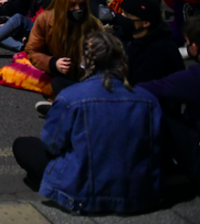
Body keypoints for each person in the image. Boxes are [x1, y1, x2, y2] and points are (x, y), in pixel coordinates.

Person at [13, 32, 163, 214]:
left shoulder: (71, 97)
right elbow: (156, 147)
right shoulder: (148, 100)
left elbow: (52, 144)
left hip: (83, 195)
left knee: (23, 146)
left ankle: (46, 182)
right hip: (139, 194)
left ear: (87, 61)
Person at [140, 16, 200, 187]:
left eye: (188, 42)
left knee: (163, 116)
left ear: (194, 46)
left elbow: (152, 88)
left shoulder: (194, 77)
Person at [25, 0, 103, 107]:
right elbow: (33, 51)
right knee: (57, 83)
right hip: (58, 72)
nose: (78, 9)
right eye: (72, 5)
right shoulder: (45, 20)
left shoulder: (92, 24)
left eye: (81, 4)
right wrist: (53, 63)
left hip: (84, 74)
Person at [115, 0, 184, 86]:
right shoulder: (123, 36)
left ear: (146, 22)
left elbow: (141, 87)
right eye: (122, 13)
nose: (122, 17)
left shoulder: (161, 52)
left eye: (127, 15)